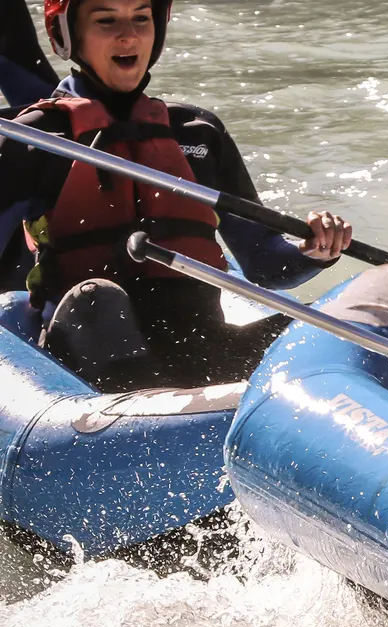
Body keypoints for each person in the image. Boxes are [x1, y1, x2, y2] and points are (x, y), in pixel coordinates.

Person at [0, 0, 355, 389]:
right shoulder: (35, 137)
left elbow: (264, 266)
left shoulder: (196, 131)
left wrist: (315, 250)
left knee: (328, 330)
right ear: (69, 36)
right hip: (82, 359)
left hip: (197, 346)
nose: (128, 34)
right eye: (106, 20)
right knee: (99, 300)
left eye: (141, 18)